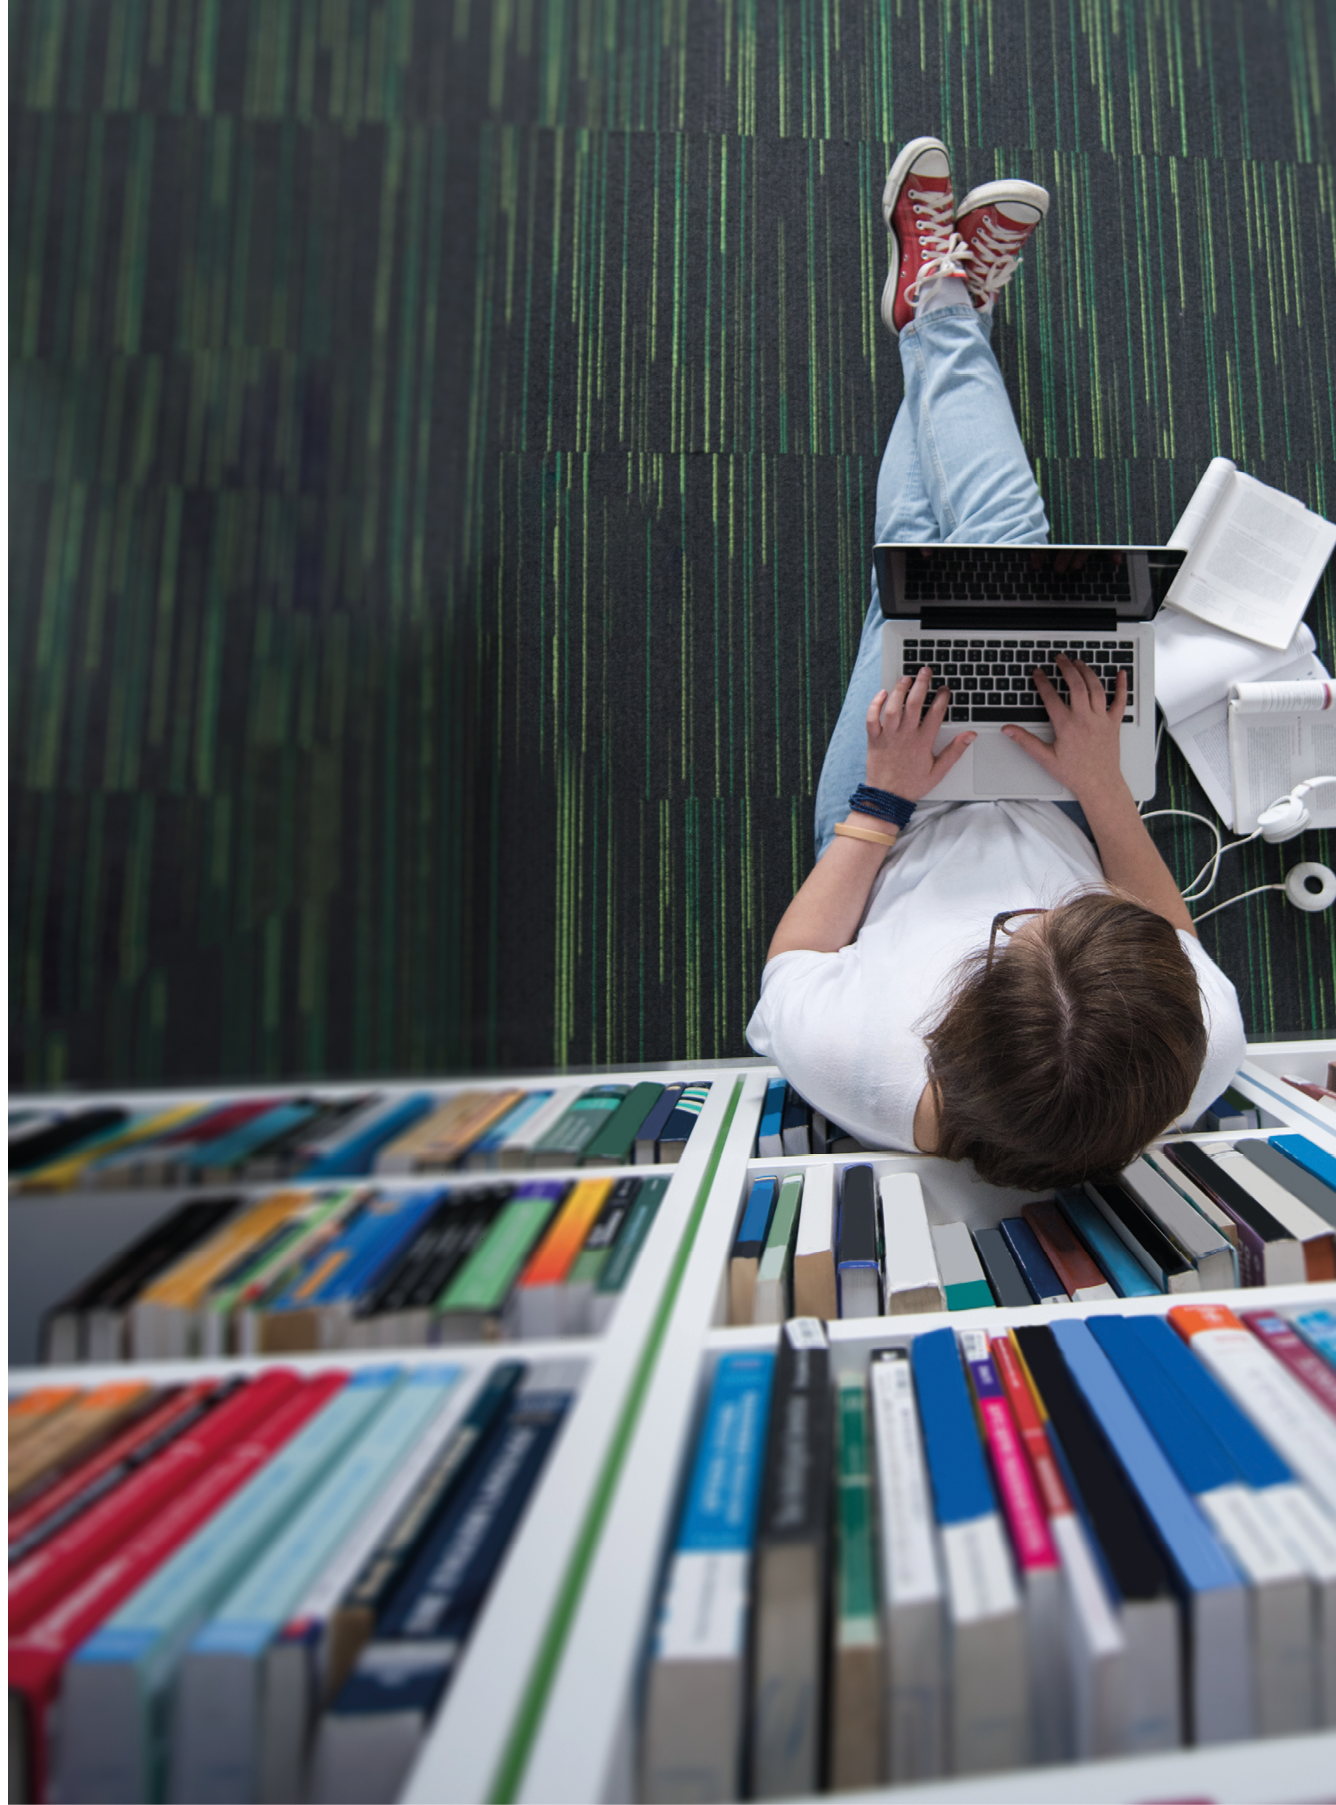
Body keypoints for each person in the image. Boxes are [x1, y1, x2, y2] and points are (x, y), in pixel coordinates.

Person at [745, 137, 1246, 1191]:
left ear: (948, 1024)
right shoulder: (1194, 1046)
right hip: (1070, 800)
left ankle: (940, 310)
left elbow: (797, 953)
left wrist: (883, 798)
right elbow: (1166, 929)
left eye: (1019, 933)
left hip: (888, 818)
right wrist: (1104, 795)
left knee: (953, 570)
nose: (1034, 906)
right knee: (960, 562)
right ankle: (937, 314)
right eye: (1076, 916)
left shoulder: (855, 1061)